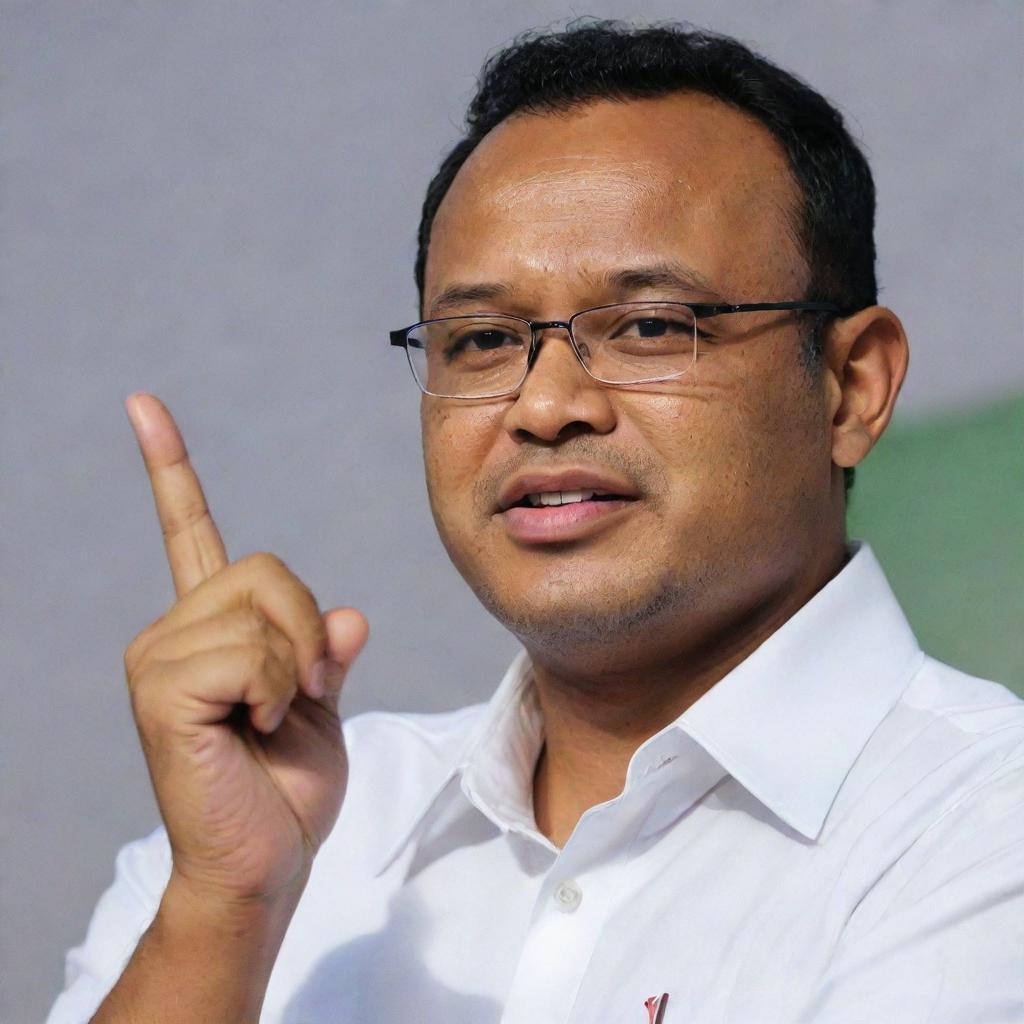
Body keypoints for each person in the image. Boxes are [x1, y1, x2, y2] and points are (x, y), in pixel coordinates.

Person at [47, 21, 1023, 1024]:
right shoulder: (287, 830)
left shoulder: (985, 826)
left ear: (851, 387)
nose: (545, 402)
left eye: (649, 325)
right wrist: (225, 909)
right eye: (481, 339)